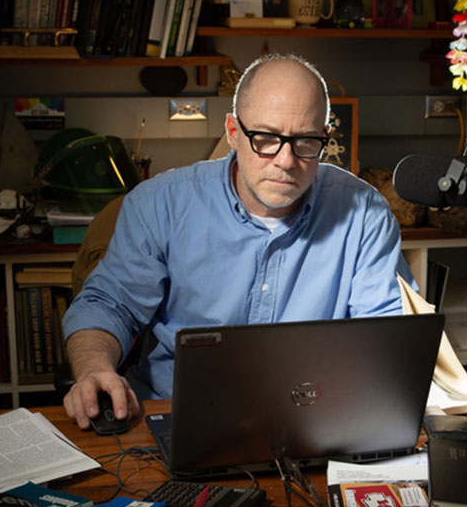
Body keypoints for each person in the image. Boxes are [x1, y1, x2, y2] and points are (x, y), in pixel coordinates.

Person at [62, 53, 409, 428]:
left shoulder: (364, 212)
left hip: (312, 420)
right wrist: (94, 369)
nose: (286, 161)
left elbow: (389, 332)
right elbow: (108, 306)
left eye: (306, 141)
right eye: (265, 139)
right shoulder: (160, 204)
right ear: (232, 132)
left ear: (324, 138)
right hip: (178, 414)